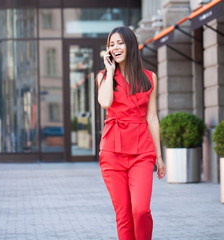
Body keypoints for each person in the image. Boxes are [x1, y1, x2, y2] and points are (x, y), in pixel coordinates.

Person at [96, 26, 166, 240]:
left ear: (131, 45)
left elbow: (152, 118)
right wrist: (109, 71)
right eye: (111, 44)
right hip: (112, 153)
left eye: (120, 43)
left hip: (142, 152)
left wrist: (159, 157)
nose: (115, 47)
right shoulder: (103, 77)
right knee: (124, 214)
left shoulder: (149, 78)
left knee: (141, 210)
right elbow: (105, 102)